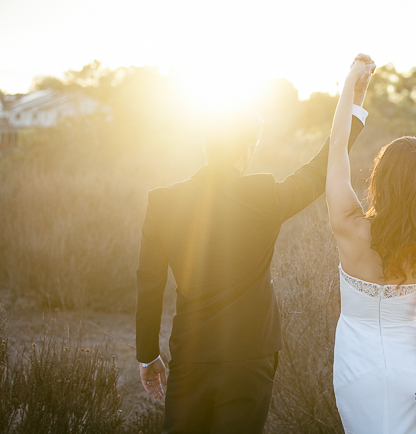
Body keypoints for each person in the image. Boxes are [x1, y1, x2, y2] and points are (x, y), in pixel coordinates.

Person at [134, 53, 374, 434]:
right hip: (251, 353)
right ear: (248, 149)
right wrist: (355, 102)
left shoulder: (162, 203)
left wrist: (147, 354)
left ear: (206, 147)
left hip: (192, 353)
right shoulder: (263, 195)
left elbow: (149, 286)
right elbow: (318, 169)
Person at [326, 59, 416, 434]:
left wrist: (351, 90)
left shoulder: (351, 227)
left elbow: (336, 153)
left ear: (381, 178)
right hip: (410, 382)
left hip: (355, 375)